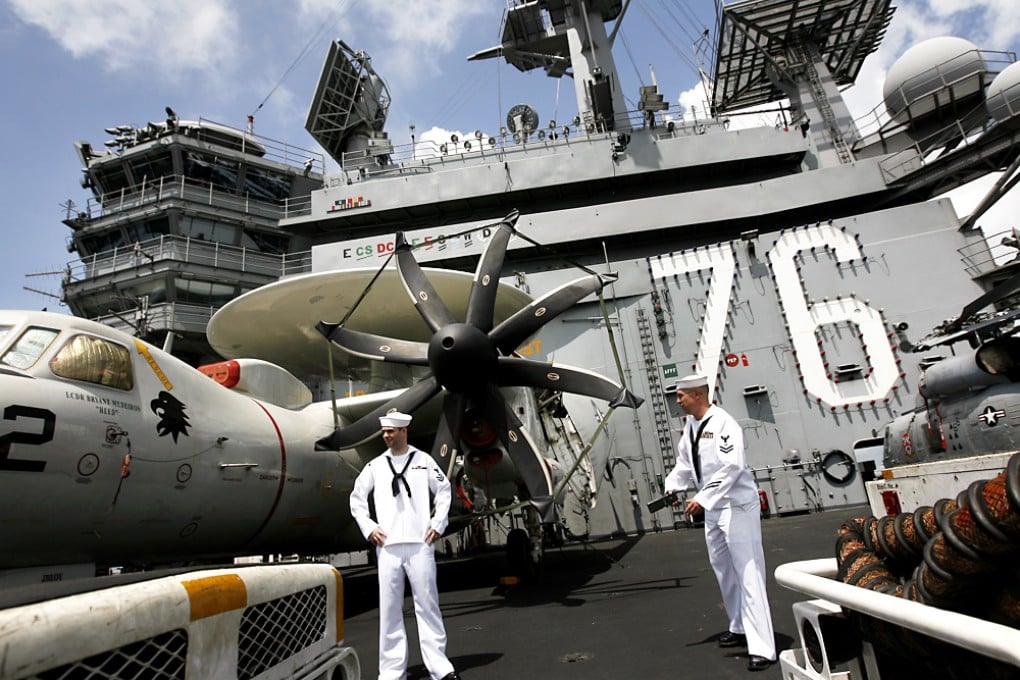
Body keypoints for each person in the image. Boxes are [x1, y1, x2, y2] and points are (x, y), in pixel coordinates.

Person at [664, 375, 777, 672]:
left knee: (748, 573)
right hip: (714, 510)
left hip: (737, 506)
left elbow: (732, 466)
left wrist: (702, 498)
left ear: (698, 395)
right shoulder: (691, 427)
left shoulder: (724, 424)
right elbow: (685, 464)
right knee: (724, 570)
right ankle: (739, 626)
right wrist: (673, 486)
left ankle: (763, 648)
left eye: (681, 395)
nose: (677, 400)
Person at [349, 411, 462, 680]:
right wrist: (369, 527)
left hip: (419, 544)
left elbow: (444, 490)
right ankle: (391, 672)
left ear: (404, 431)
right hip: (388, 547)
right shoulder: (375, 466)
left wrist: (438, 523)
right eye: (385, 431)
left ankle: (440, 667)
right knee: (389, 611)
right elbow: (357, 499)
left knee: (428, 606)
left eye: (391, 431)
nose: (387, 435)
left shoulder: (423, 461)